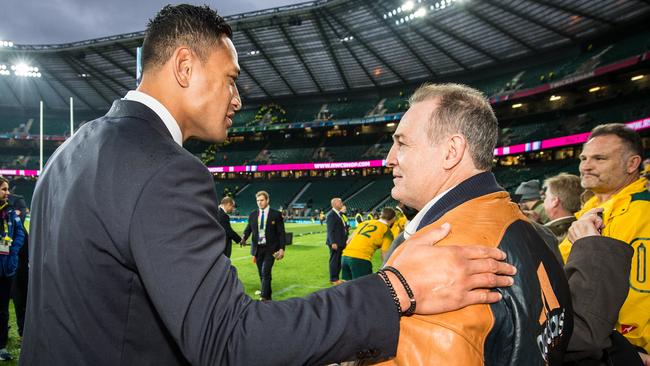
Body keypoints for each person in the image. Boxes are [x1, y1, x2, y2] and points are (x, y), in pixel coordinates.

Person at [20, 5, 516, 365]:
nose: (239, 97)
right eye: (232, 78)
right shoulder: (165, 167)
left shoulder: (69, 153)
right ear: (185, 67)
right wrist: (396, 288)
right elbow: (229, 342)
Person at [378, 83, 572, 365]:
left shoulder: (444, 260)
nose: (389, 159)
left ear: (451, 151)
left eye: (402, 143)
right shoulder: (529, 228)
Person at [559, 123, 650, 353]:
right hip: (584, 338)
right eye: (583, 158)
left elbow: (638, 296)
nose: (586, 167)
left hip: (625, 349)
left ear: (632, 164)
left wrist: (636, 349)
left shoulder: (643, 214)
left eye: (599, 159)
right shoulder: (589, 210)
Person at [241, 191, 286, 300]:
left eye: (262, 200)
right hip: (257, 248)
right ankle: (268, 295)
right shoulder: (253, 214)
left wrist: (281, 249)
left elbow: (281, 233)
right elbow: (248, 229)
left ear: (267, 200)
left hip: (271, 249)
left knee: (265, 271)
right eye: (258, 200)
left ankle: (264, 297)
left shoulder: (276, 214)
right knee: (262, 273)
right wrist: (244, 237)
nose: (259, 202)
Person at [0, 177, 25, 361]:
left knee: (2, 310)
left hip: (7, 267)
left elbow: (19, 233)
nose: (7, 193)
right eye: (4, 189)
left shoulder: (9, 211)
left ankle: (1, 346)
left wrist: (13, 252)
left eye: (7, 189)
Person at [342, 207, 396, 280]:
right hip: (360, 259)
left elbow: (348, 241)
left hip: (345, 257)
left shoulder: (365, 222)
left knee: (346, 287)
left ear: (381, 215)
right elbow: (385, 255)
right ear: (393, 219)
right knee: (364, 287)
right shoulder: (387, 231)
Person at [542, 173, 583, 242]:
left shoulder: (544, 233)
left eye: (545, 197)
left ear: (554, 201)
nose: (543, 202)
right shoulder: (587, 225)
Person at [326, 197, 347, 285]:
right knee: (334, 260)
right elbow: (330, 230)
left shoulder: (338, 214)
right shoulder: (331, 215)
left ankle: (337, 278)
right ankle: (333, 279)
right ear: (334, 204)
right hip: (335, 243)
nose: (342, 203)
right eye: (340, 202)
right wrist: (333, 242)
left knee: (338, 261)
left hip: (341, 241)